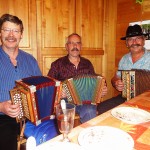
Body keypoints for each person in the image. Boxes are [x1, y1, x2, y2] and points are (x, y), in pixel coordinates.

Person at [0, 14, 58, 149]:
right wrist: (2, 107)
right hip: (3, 118)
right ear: (0, 32)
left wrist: (55, 96)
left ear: (21, 35)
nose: (11, 35)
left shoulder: (30, 60)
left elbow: (41, 88)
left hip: (32, 116)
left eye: (16, 31)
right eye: (6, 29)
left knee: (55, 137)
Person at [48, 33, 108, 123]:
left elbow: (96, 83)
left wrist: (101, 90)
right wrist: (59, 91)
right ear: (66, 46)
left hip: (85, 102)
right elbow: (49, 85)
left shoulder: (87, 63)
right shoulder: (57, 64)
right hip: (65, 102)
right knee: (62, 113)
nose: (75, 46)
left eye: (78, 43)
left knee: (90, 111)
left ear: (81, 46)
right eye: (71, 43)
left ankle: (90, 135)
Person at [97, 24, 150, 115]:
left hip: (146, 100)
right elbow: (115, 78)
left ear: (143, 40)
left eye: (137, 38)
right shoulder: (124, 59)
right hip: (125, 97)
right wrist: (116, 82)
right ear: (126, 43)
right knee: (100, 108)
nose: (134, 42)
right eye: (130, 39)